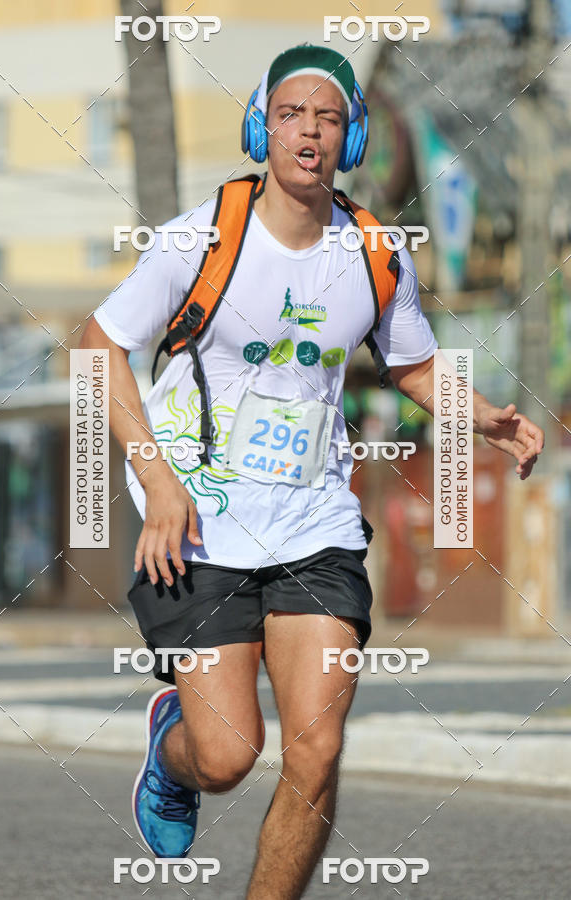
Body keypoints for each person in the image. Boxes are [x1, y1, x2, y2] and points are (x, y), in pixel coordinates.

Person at [80, 44, 544, 900]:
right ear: (263, 126)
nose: (309, 131)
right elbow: (95, 347)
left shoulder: (374, 251)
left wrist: (485, 415)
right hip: (199, 521)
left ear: (352, 137)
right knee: (227, 756)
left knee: (318, 751)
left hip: (315, 523)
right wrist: (158, 480)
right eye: (292, 113)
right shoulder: (200, 239)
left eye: (328, 117)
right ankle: (174, 754)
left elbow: (410, 364)